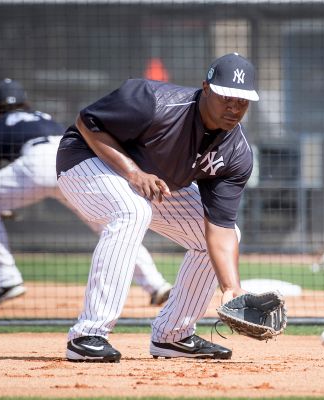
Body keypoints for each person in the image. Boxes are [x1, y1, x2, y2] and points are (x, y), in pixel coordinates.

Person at [56, 52, 259, 362]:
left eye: (242, 101)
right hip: (85, 159)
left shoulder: (236, 154)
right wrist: (133, 172)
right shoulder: (153, 101)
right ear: (206, 88)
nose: (234, 107)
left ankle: (173, 336)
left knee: (222, 237)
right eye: (226, 97)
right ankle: (88, 334)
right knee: (132, 211)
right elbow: (87, 121)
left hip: (155, 181)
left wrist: (232, 288)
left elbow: (219, 227)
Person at [0, 78, 172, 307]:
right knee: (116, 224)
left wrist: (2, 202)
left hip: (33, 165)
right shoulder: (43, 118)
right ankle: (156, 285)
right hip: (64, 164)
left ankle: (7, 279)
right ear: (25, 102)